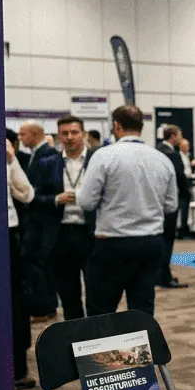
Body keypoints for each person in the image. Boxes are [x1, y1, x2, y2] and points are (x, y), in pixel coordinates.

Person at [77, 105, 177, 331]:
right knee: (142, 312)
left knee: (100, 311)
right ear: (141, 127)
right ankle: (140, 364)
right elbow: (171, 206)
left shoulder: (103, 156)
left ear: (116, 126)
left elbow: (86, 202)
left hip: (112, 243)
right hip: (150, 243)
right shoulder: (162, 159)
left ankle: (103, 364)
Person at [26, 115, 96, 324]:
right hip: (61, 234)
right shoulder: (48, 163)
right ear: (58, 137)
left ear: (83, 134)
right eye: (64, 133)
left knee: (96, 290)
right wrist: (55, 199)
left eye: (74, 132)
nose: (69, 137)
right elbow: (33, 197)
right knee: (68, 293)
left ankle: (97, 338)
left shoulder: (97, 160)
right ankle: (76, 339)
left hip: (92, 232)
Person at [6, 136, 35, 390]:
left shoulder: (2, 154)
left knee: (14, 302)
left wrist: (11, 159)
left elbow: (26, 194)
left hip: (6, 235)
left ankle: (17, 368)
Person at [155, 125, 189, 290]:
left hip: (155, 202)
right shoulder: (172, 155)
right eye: (180, 135)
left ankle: (158, 274)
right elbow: (179, 177)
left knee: (159, 239)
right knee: (167, 240)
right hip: (169, 202)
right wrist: (185, 193)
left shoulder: (156, 151)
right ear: (173, 136)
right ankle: (165, 277)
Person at [178, 137, 195, 237]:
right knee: (183, 207)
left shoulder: (189, 156)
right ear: (181, 147)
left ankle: (187, 226)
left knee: (188, 207)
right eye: (185, 146)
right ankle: (182, 229)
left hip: (189, 182)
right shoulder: (178, 156)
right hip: (182, 184)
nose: (187, 148)